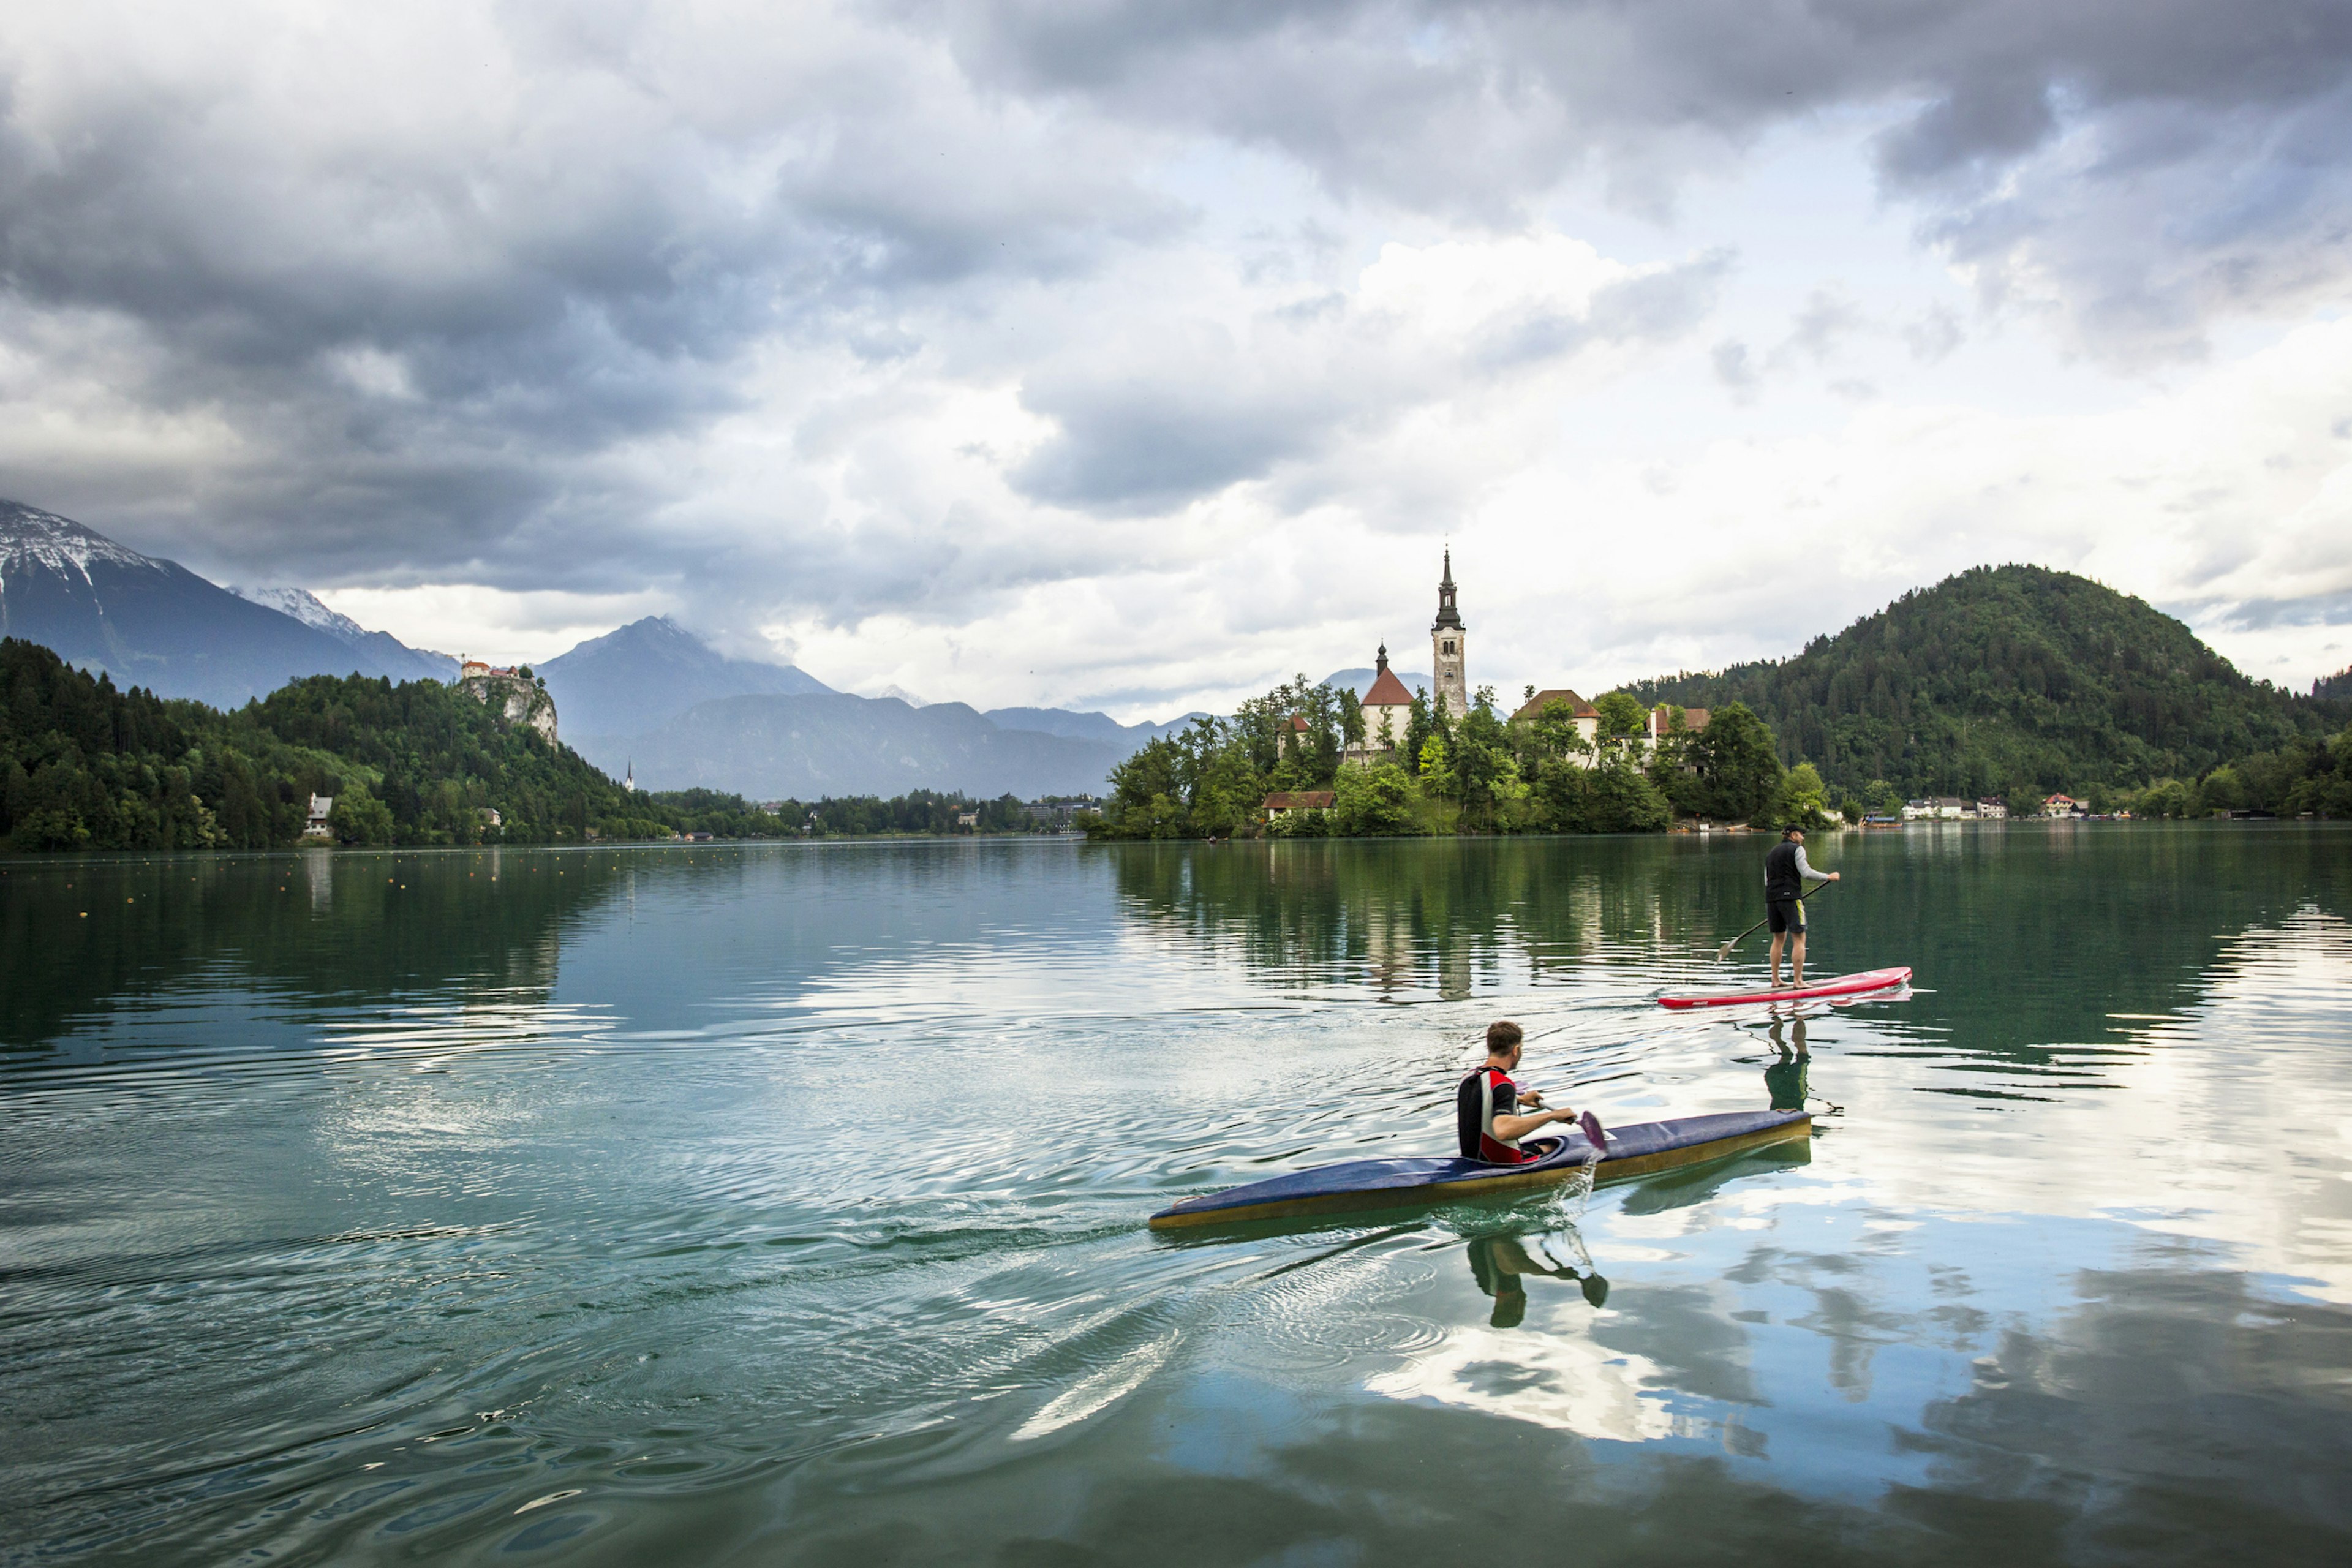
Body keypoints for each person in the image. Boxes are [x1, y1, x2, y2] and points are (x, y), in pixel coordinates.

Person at [1457, 1020, 1592, 1163]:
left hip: (1472, 1160)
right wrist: (1552, 1115)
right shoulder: (1503, 1084)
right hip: (1503, 1164)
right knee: (1566, 1150)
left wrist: (1519, 1100)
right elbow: (1503, 1130)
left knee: (1549, 1147)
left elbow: (1480, 1105)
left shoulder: (1469, 1077)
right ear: (1515, 1050)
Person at [1764, 824, 1839, 987]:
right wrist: (1828, 876)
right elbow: (1806, 872)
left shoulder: (1771, 853)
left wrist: (1776, 899)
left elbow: (1767, 879)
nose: (1803, 838)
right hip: (1791, 897)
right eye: (1800, 835)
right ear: (1793, 835)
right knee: (1799, 937)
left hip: (1771, 898)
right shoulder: (1797, 850)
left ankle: (1775, 980)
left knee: (1778, 938)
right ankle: (1798, 981)